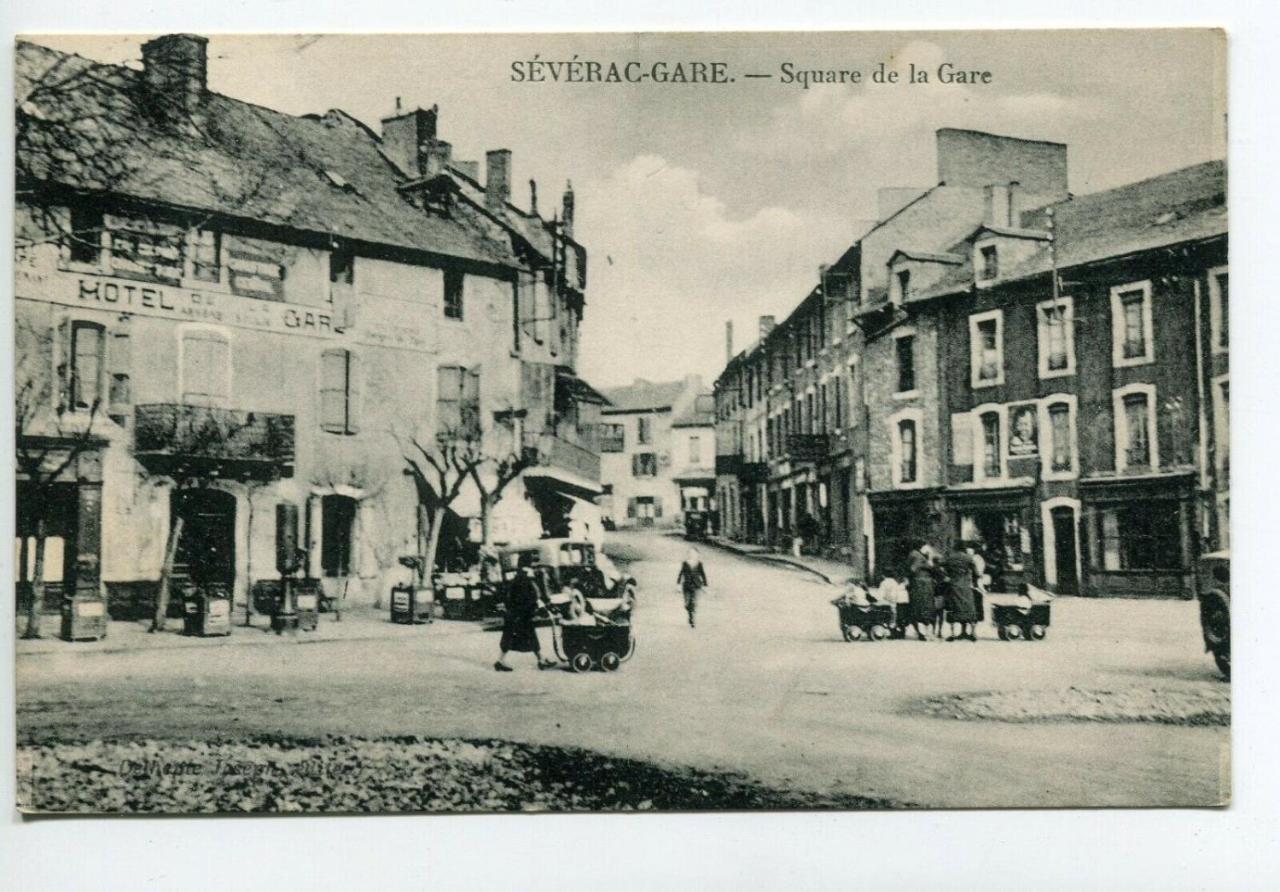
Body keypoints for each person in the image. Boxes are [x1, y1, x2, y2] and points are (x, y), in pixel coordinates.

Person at [494, 565, 557, 671]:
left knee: (523, 636)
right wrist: (540, 609)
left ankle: (541, 660)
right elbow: (530, 599)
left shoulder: (517, 580)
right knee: (513, 638)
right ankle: (500, 662)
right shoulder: (524, 582)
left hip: (516, 615)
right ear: (526, 569)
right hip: (519, 616)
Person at [942, 547, 979, 641]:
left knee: (953, 608)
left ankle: (953, 634)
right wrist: (975, 582)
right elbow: (977, 573)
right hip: (966, 586)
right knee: (969, 608)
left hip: (954, 585)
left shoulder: (950, 557)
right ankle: (972, 633)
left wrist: (946, 576)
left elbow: (940, 565)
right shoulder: (968, 558)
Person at [904, 541, 935, 641]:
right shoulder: (919, 556)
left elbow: (910, 568)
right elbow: (914, 568)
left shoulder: (913, 554)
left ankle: (921, 633)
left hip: (917, 584)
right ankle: (924, 634)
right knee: (924, 608)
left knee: (917, 607)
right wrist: (929, 559)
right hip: (923, 585)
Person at [676, 548, 708, 628]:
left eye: (694, 553)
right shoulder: (685, 563)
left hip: (697, 586)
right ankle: (690, 614)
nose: (692, 554)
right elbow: (681, 573)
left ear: (697, 555)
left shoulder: (699, 564)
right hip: (686, 586)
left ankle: (692, 618)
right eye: (690, 553)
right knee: (687, 604)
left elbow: (703, 574)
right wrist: (678, 584)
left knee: (694, 603)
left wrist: (705, 585)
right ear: (688, 554)